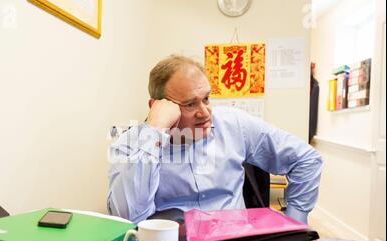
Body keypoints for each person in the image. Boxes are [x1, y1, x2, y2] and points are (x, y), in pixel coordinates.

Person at [107, 55, 323, 224]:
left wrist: (295, 222)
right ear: (158, 106)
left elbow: (306, 159)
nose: (205, 113)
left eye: (207, 99)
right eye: (190, 104)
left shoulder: (235, 124)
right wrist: (153, 131)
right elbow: (128, 218)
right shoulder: (130, 144)